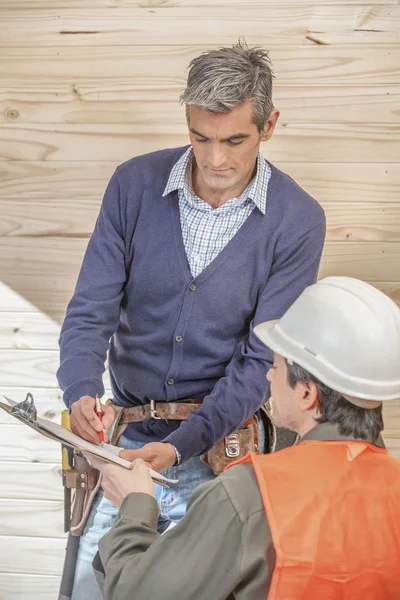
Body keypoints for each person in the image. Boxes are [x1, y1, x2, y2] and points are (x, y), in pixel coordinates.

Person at [57, 41, 326, 597]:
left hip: (224, 461)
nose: (215, 159)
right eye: (200, 137)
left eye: (235, 140)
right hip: (124, 450)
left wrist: (182, 445)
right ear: (186, 118)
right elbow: (90, 310)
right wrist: (81, 390)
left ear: (269, 126)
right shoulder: (133, 185)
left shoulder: (298, 221)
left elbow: (260, 362)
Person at [89, 277, 400, 600]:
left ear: (308, 393)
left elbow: (140, 594)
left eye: (275, 366)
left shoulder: (250, 493)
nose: (268, 376)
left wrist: (135, 506)